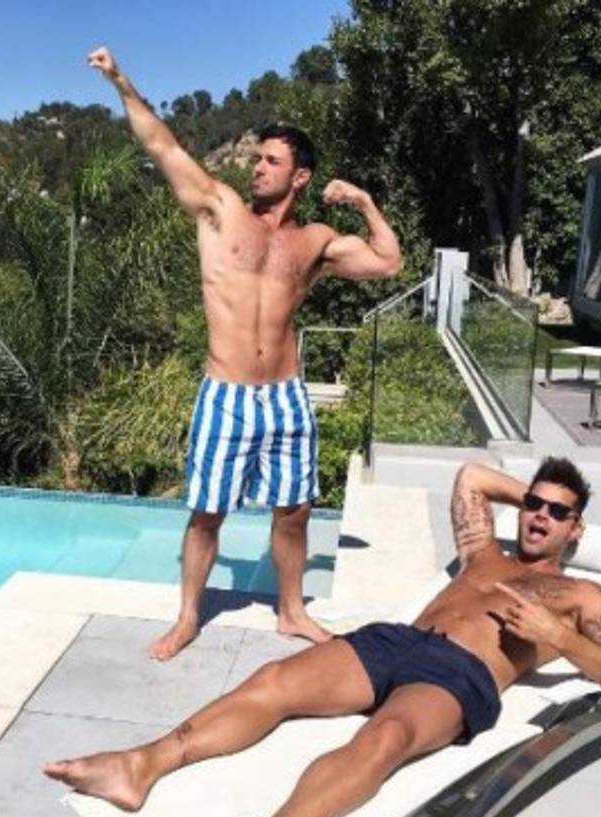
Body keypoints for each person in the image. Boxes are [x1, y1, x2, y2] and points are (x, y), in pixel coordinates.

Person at [44, 457, 601, 817]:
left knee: (386, 739)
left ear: (577, 529)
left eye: (558, 513)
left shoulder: (581, 595)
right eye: (534, 504)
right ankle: (141, 764)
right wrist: (535, 496)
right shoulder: (484, 552)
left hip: (458, 676)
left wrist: (559, 635)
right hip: (399, 641)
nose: (539, 516)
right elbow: (470, 478)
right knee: (274, 680)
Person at [87, 47, 404, 660]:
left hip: (286, 397)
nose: (257, 167)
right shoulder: (221, 211)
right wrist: (122, 82)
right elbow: (163, 146)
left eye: (271, 161)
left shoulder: (315, 241)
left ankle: (291, 612)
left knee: (295, 511)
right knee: (207, 513)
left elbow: (388, 262)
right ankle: (187, 617)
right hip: (225, 394)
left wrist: (364, 202)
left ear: (300, 177)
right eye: (256, 157)